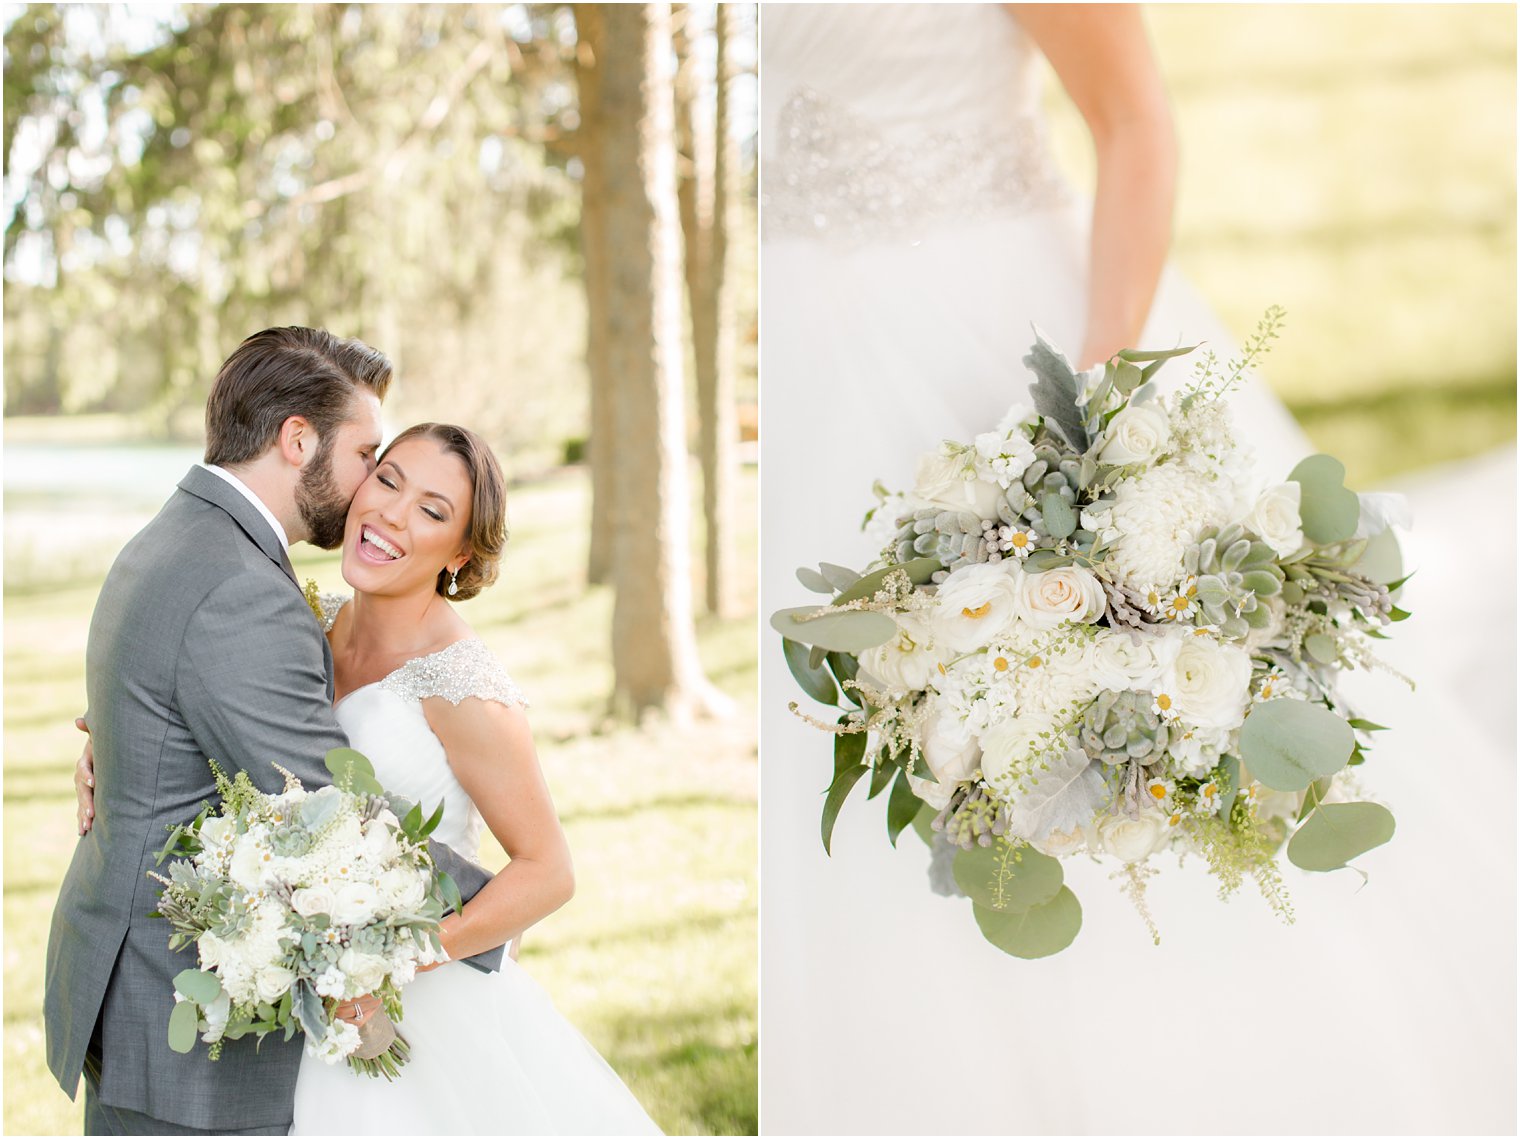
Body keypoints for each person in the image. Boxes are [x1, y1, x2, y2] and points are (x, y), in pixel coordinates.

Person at [760, 4, 1513, 1134]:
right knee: (866, 760)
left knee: (1094, 726)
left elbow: (1132, 119)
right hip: (809, 377)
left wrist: (1098, 409)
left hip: (995, 337)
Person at [47, 327, 503, 1135]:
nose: (371, 487)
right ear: (299, 439)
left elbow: (181, 698)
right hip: (180, 1040)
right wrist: (492, 903)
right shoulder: (240, 585)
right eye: (370, 457)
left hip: (133, 1000)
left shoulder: (181, 532)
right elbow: (316, 810)